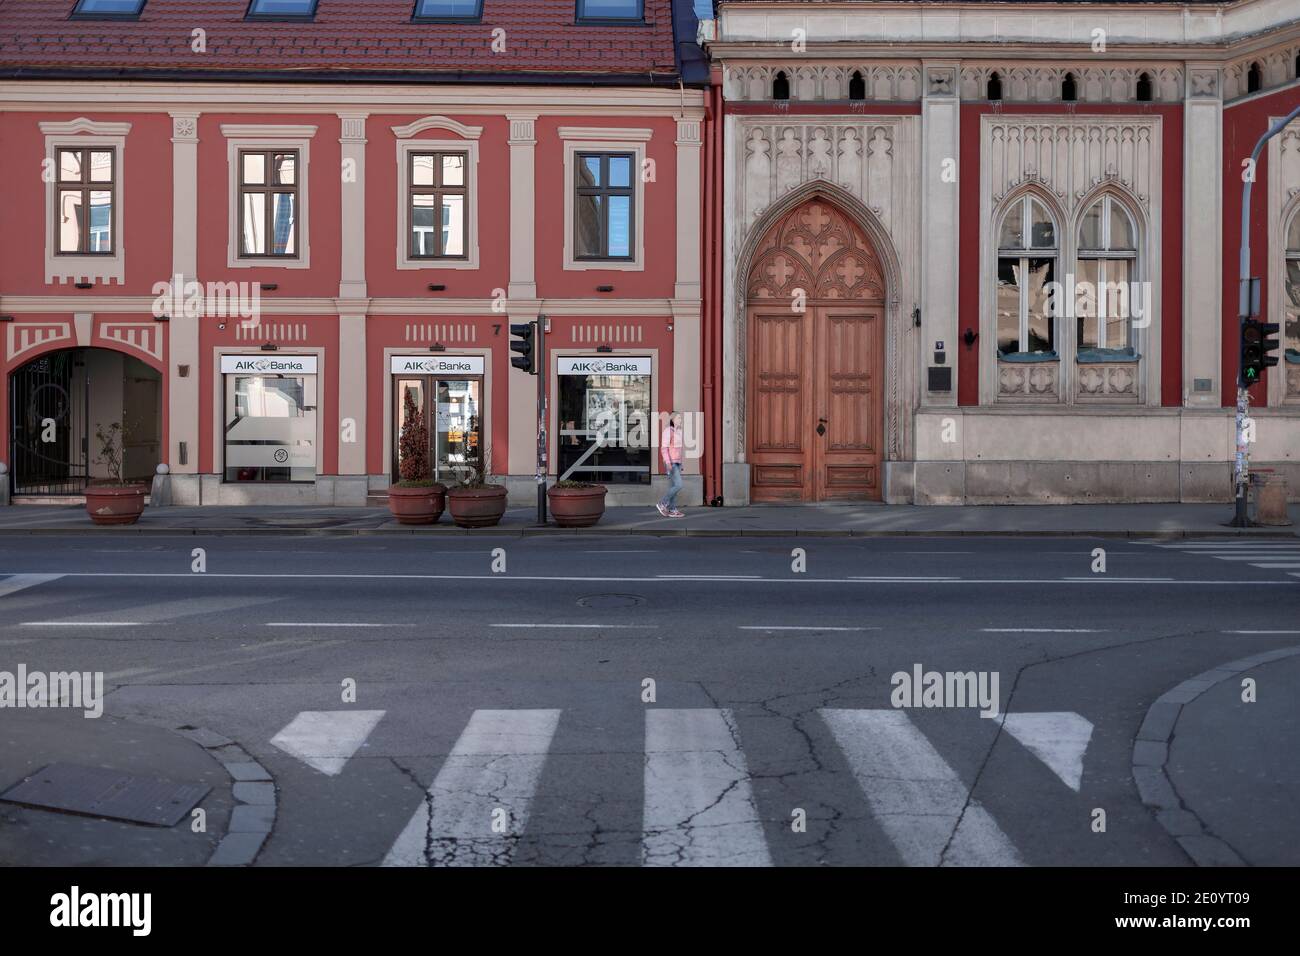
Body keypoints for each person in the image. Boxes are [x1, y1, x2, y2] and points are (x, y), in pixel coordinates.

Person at [656, 412, 685, 518]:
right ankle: (662, 503)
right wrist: (668, 462)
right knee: (679, 485)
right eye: (678, 418)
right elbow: (664, 449)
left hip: (677, 462)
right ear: (673, 419)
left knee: (674, 486)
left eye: (681, 418)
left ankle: (672, 509)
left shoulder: (679, 432)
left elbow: (679, 450)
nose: (680, 419)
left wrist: (680, 464)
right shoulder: (668, 431)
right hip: (671, 462)